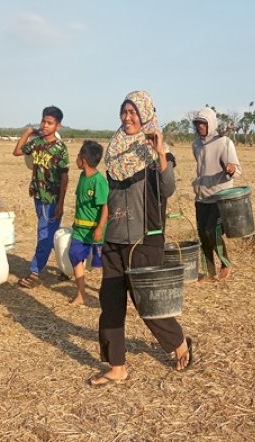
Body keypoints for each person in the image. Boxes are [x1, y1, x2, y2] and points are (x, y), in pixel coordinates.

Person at [90, 90, 194, 387]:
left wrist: (160, 154)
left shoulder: (156, 153)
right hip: (114, 238)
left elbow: (168, 188)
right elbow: (109, 195)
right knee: (110, 302)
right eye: (123, 112)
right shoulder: (114, 151)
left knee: (147, 303)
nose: (127, 118)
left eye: (133, 112)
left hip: (144, 239)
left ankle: (179, 344)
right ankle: (117, 365)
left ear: (145, 114)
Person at [12, 106, 69, 289]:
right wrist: (28, 131)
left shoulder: (60, 148)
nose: (44, 125)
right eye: (43, 121)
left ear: (58, 126)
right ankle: (70, 266)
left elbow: (64, 177)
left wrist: (60, 203)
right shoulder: (37, 143)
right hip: (38, 195)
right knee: (50, 235)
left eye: (49, 123)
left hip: (51, 199)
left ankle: (35, 272)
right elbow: (18, 151)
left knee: (44, 235)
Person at [191, 107, 242, 282]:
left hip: (220, 197)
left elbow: (237, 169)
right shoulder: (196, 144)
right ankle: (208, 271)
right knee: (202, 234)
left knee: (211, 231)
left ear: (211, 124)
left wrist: (231, 168)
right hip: (201, 197)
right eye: (197, 124)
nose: (200, 127)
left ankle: (225, 263)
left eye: (203, 123)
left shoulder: (224, 143)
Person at [68, 140, 108, 306]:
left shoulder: (99, 181)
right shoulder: (82, 177)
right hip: (80, 230)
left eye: (78, 155)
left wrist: (99, 228)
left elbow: (106, 206)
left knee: (105, 263)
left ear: (83, 159)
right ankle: (81, 294)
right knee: (75, 256)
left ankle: (109, 292)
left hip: (95, 231)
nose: (76, 159)